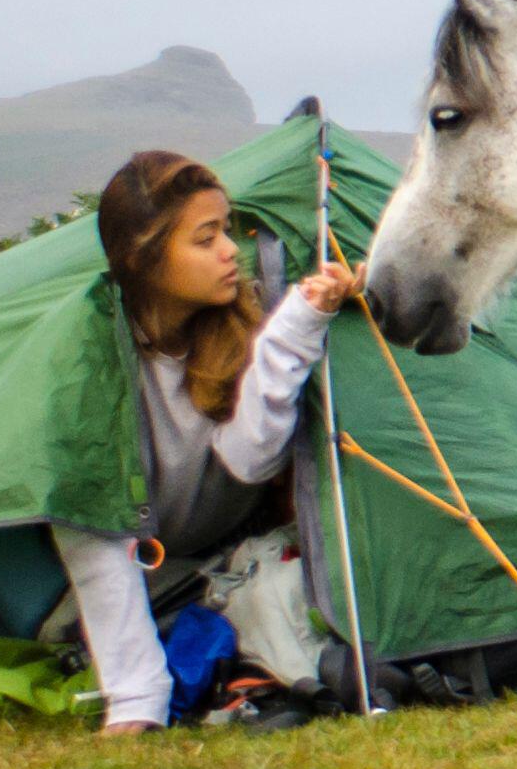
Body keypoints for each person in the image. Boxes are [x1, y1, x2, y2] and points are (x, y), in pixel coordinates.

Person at [64, 149, 358, 733]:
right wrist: (137, 701)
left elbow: (251, 460)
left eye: (227, 230)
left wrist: (296, 327)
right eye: (206, 239)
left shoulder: (239, 320)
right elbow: (91, 528)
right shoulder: (92, 354)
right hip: (82, 566)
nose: (230, 251)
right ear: (143, 258)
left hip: (202, 562)